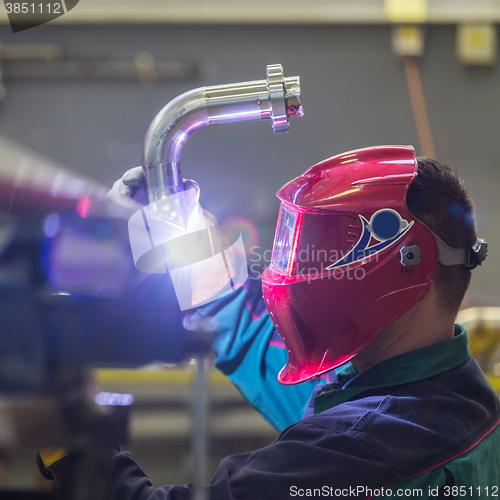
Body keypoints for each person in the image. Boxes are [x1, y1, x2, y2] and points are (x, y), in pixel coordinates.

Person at [39, 145, 497, 499]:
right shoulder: (458, 396)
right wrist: (197, 258)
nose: (299, 273)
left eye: (327, 252)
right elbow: (260, 351)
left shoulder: (360, 450)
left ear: (406, 264)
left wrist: (67, 434)